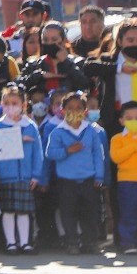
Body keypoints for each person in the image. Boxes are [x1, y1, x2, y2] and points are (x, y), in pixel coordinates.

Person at [44, 91, 107, 254]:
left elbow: (98, 155)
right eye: (70, 108)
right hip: (66, 180)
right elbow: (50, 153)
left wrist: (99, 176)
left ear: (85, 111)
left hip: (88, 179)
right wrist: (67, 150)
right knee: (68, 212)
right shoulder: (58, 132)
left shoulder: (91, 131)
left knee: (89, 213)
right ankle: (72, 242)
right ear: (63, 111)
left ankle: (90, 243)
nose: (74, 111)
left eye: (78, 108)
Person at [0, 83, 44, 253]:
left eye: (14, 103)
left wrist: (36, 175)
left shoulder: (30, 126)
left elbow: (38, 153)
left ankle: (25, 242)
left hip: (25, 177)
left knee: (23, 212)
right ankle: (11, 243)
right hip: (5, 176)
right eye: (7, 103)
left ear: (23, 105)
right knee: (8, 211)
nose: (10, 107)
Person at [110, 101, 137, 253]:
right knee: (128, 212)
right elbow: (116, 157)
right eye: (129, 118)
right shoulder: (117, 139)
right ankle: (129, 243)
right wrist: (135, 147)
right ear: (121, 121)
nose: (134, 121)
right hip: (127, 181)